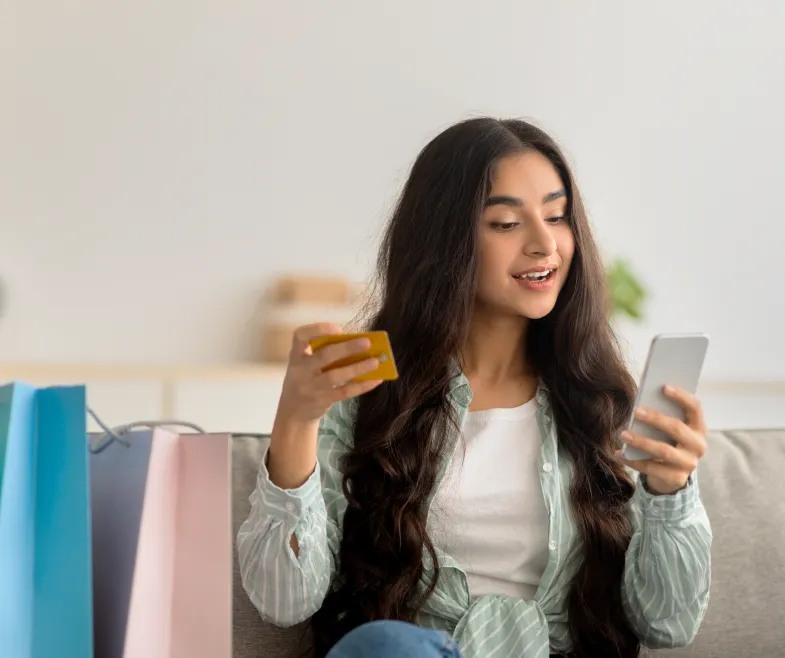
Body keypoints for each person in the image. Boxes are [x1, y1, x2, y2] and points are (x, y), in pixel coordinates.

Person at [237, 117, 712, 658]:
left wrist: (671, 494)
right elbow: (283, 599)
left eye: (557, 217)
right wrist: (296, 421)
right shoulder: (369, 398)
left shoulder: (602, 404)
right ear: (445, 240)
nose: (543, 243)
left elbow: (668, 624)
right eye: (506, 223)